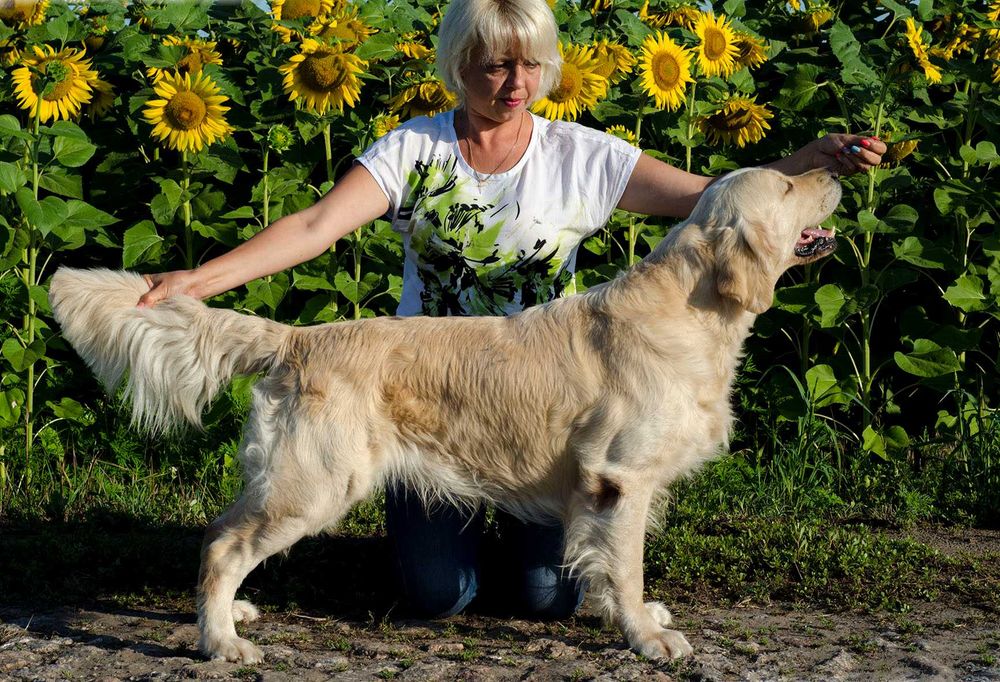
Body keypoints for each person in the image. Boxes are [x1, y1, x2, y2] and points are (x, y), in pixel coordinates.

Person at [137, 0, 885, 621]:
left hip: (547, 396)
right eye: (496, 64)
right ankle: (243, 571)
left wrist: (809, 163)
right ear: (460, 65)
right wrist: (200, 280)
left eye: (530, 64)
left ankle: (544, 556)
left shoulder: (580, 155)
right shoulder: (415, 149)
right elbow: (313, 226)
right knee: (438, 596)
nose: (516, 82)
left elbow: (715, 201)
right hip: (423, 393)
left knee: (544, 598)